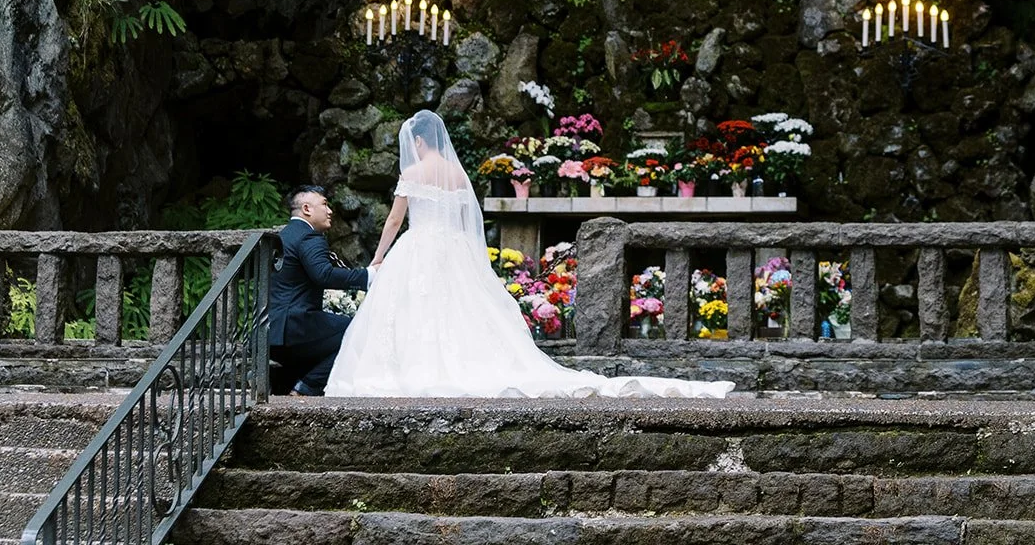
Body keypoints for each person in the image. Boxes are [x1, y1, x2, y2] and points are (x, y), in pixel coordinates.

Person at [325, 111, 734, 398]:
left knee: (418, 311)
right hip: (454, 250)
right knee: (461, 310)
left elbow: (396, 221)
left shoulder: (413, 173)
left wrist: (378, 258)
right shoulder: (455, 173)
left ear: (417, 142)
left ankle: (417, 368)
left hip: (419, 247)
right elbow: (468, 216)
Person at [269, 185, 371, 396]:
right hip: (294, 327)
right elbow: (323, 274)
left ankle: (283, 382)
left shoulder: (284, 236)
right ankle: (306, 388)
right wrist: (367, 276)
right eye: (324, 204)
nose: (330, 210)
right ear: (307, 209)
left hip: (269, 331)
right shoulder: (309, 236)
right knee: (361, 330)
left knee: (332, 334)